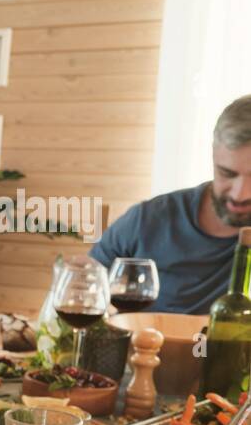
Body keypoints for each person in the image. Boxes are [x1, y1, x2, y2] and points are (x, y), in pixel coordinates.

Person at [90, 94, 251, 314]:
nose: (240, 194)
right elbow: (86, 281)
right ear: (213, 156)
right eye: (227, 174)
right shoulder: (150, 218)